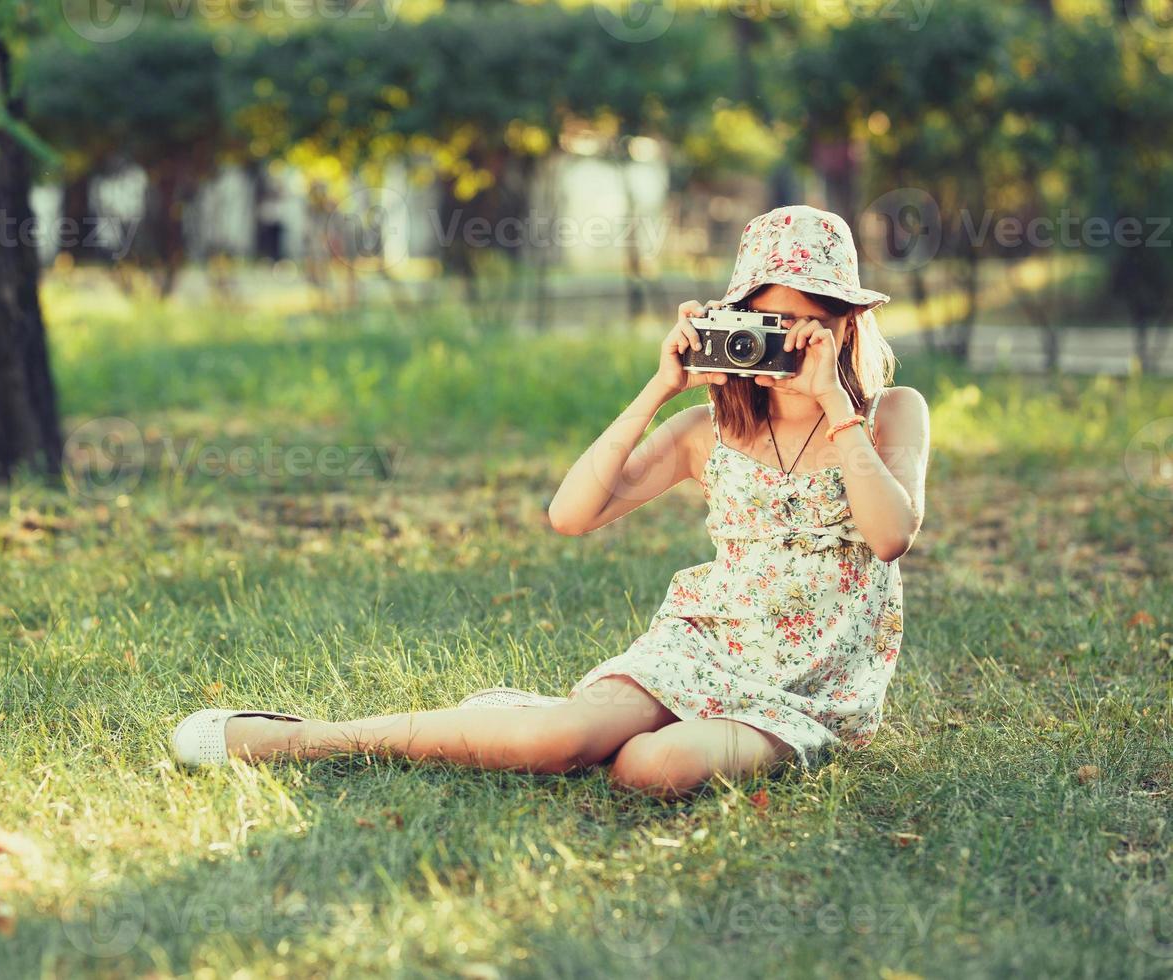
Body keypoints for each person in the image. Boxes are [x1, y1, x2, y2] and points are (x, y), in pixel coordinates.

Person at [171, 204, 931, 799]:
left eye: (813, 323)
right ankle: (299, 739)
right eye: (773, 322)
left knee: (650, 771)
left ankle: (528, 721)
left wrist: (834, 406)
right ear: (740, 322)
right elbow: (569, 515)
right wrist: (659, 388)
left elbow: (892, 535)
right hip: (707, 644)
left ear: (847, 325)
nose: (793, 343)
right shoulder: (708, 429)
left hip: (813, 684)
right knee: (556, 748)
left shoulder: (891, 414)